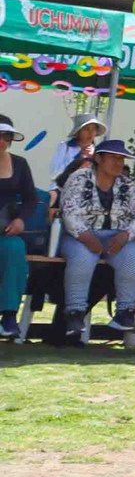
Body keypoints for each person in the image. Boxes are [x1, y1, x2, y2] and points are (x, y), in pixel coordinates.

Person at [57, 138, 135, 347]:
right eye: (113, 158)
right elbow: (68, 212)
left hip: (116, 236)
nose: (118, 163)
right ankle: (75, 312)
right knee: (82, 259)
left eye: (121, 159)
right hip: (80, 236)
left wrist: (126, 235)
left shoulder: (127, 184)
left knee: (134, 256)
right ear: (98, 158)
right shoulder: (79, 178)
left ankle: (126, 312)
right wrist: (86, 237)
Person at [0, 116, 34, 343]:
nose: (2, 141)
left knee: (14, 249)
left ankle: (9, 315)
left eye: (6, 136)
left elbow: (31, 198)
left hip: (5, 230)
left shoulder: (20, 164)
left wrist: (21, 220)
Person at [50, 114, 105, 186]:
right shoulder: (65, 147)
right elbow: (56, 171)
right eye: (86, 129)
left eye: (94, 129)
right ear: (78, 132)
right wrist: (80, 158)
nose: (91, 133)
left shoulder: (98, 152)